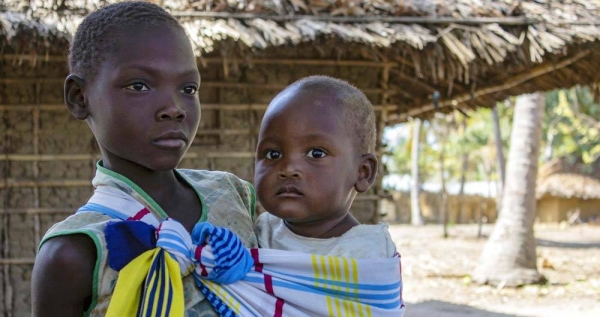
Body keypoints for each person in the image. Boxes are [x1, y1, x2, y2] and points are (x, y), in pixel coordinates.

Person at [30, 2, 257, 316]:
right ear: (79, 98)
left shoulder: (234, 195)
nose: (174, 107)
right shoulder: (75, 250)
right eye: (139, 86)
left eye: (188, 88)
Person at [254, 75, 398, 258]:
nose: (288, 169)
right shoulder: (256, 233)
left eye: (316, 153)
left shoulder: (369, 252)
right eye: (273, 154)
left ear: (362, 173)